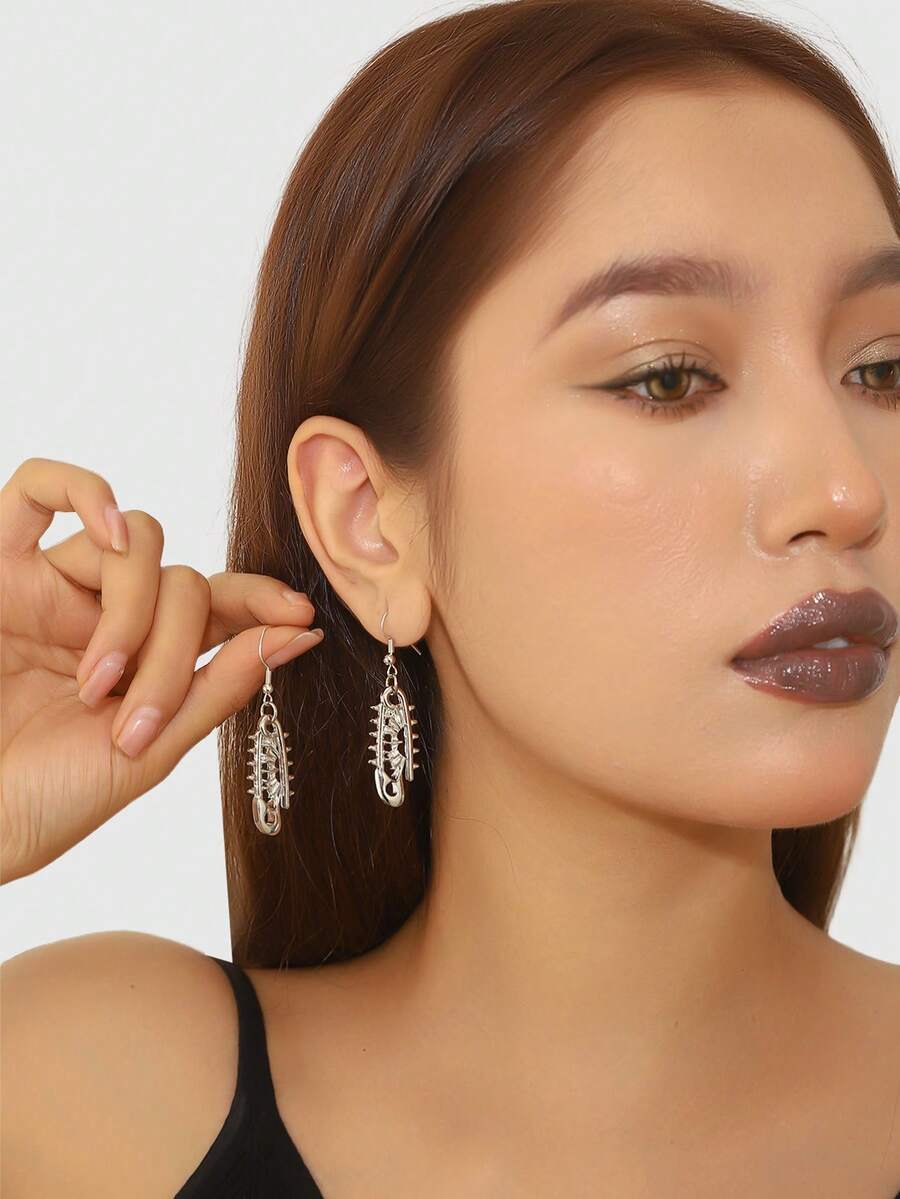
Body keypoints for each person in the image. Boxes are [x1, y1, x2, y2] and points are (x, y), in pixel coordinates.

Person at [3, 0, 900, 1194]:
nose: (846, 488)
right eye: (669, 377)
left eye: (883, 368)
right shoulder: (86, 1100)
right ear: (369, 523)